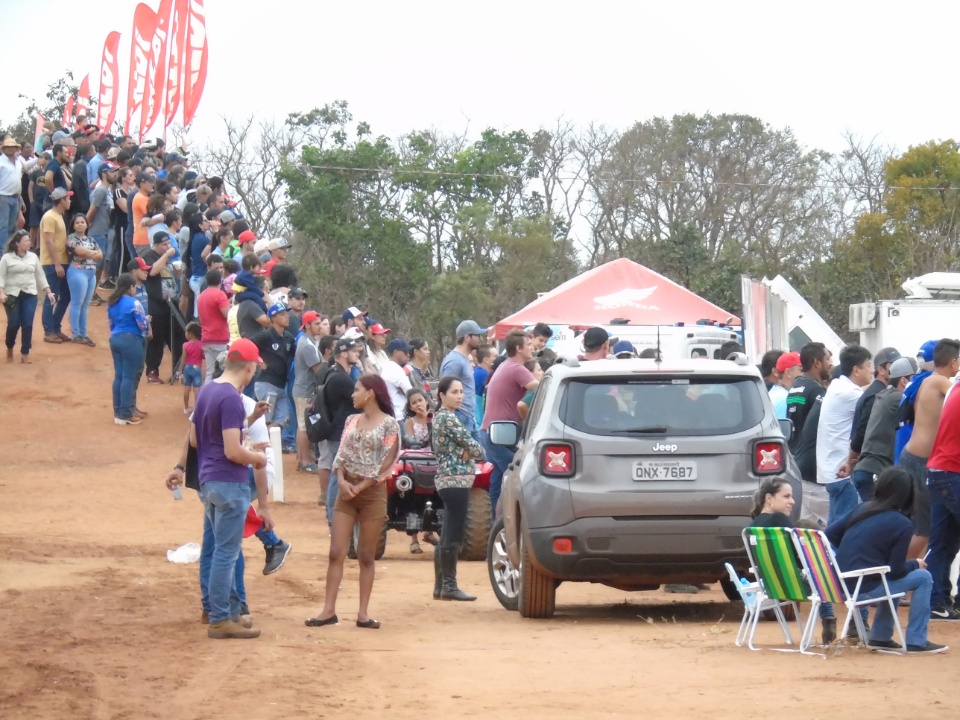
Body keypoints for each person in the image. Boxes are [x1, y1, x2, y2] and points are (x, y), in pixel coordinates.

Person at [306, 374, 400, 630]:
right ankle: (331, 610)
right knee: (337, 552)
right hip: (352, 489)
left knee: (366, 555)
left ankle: (361, 613)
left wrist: (354, 485)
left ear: (370, 393)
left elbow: (387, 462)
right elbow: (341, 455)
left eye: (357, 390)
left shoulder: (390, 424)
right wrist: (343, 480)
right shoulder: (351, 420)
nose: (353, 394)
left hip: (366, 492)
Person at [191, 337, 270, 639]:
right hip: (229, 481)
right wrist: (258, 458)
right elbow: (233, 452)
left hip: (209, 479)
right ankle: (221, 618)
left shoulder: (208, 391)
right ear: (249, 367)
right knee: (227, 552)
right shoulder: (231, 398)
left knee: (218, 549)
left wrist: (245, 436)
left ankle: (217, 610)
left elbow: (198, 440)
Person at [826, 467, 947, 653]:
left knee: (889, 579)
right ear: (907, 494)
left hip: (840, 584)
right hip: (864, 589)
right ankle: (916, 640)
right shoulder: (902, 523)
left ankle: (881, 637)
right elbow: (896, 570)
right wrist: (915, 563)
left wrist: (854, 547)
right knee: (923, 577)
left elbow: (829, 535)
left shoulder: (862, 509)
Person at [900, 339, 960, 558]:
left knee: (924, 529)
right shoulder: (942, 383)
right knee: (923, 530)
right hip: (921, 460)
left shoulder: (925, 380)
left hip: (914, 456)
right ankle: (902, 573)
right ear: (953, 363)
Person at [431, 376, 486, 601]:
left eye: (461, 391)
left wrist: (471, 449)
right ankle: (449, 586)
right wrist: (472, 450)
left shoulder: (442, 417)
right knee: (453, 532)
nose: (460, 396)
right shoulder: (448, 418)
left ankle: (441, 586)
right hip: (455, 480)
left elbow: (472, 447)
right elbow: (477, 448)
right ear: (442, 396)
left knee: (447, 532)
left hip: (449, 479)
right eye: (454, 392)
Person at [481, 330, 539, 513]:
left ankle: (494, 524)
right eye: (528, 345)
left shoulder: (506, 365)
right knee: (516, 476)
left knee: (498, 482)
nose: (532, 348)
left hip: (492, 432)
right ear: (518, 348)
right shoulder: (516, 368)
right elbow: (540, 388)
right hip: (499, 435)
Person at [922, 352, 960, 621]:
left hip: (938, 469)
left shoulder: (955, 386)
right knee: (943, 543)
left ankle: (937, 601)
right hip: (953, 471)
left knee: (942, 542)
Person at [817, 345, 873, 524]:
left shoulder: (837, 385)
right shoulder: (850, 394)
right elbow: (874, 401)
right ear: (856, 370)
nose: (872, 371)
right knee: (846, 529)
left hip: (831, 470)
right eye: (869, 366)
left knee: (835, 528)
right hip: (842, 471)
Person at [851, 358, 918, 502]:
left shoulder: (883, 395)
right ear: (904, 381)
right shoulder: (898, 398)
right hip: (876, 471)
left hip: (865, 469)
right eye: (914, 379)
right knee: (879, 519)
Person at [320, 337, 364, 523]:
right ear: (343, 353)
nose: (358, 353)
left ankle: (335, 516)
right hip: (339, 433)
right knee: (337, 475)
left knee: (338, 473)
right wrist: (361, 370)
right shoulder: (339, 378)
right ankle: (332, 518)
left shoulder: (340, 374)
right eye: (354, 351)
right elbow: (366, 395)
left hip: (341, 432)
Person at [0, 229, 55, 363]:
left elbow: (40, 276)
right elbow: (1, 276)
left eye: (29, 240)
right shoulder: (7, 258)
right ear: (17, 243)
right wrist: (1, 293)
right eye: (26, 241)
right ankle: (10, 346)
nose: (29, 243)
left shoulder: (33, 257)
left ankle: (25, 352)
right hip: (11, 295)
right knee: (13, 323)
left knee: (27, 323)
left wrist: (48, 292)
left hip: (30, 294)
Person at [107, 274, 149, 425]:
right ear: (130, 287)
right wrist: (147, 321)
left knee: (119, 376)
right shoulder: (134, 303)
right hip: (131, 340)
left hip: (115, 339)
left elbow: (111, 324)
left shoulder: (112, 303)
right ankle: (125, 413)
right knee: (128, 377)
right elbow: (142, 325)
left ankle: (118, 412)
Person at [251, 303, 295, 432]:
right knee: (266, 420)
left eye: (286, 314)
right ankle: (260, 447)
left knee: (283, 419)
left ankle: (269, 446)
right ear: (273, 318)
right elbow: (247, 345)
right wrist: (259, 361)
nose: (287, 317)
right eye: (282, 315)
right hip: (266, 383)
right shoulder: (266, 335)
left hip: (281, 385)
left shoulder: (288, 337)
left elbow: (295, 354)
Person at [440, 320, 485, 440]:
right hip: (460, 417)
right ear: (467, 337)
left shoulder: (463, 359)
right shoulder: (455, 361)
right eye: (477, 335)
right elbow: (445, 389)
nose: (480, 338)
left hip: (468, 416)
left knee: (478, 456)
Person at [292, 310, 325, 474]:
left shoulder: (309, 342)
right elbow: (317, 370)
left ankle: (302, 459)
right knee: (304, 426)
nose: (319, 326)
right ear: (308, 325)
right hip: (305, 390)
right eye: (317, 323)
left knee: (302, 425)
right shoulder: (307, 345)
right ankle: (305, 461)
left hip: (304, 389)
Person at [39, 187, 74, 343]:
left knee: (65, 295)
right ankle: (49, 331)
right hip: (53, 263)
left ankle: (55, 327)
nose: (70, 201)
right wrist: (57, 264)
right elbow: (48, 241)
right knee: (52, 297)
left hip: (61, 261)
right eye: (68, 198)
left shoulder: (59, 216)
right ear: (62, 201)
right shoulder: (50, 217)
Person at [786, 342, 833, 452]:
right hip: (808, 455)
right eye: (827, 359)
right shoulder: (816, 390)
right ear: (817, 363)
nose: (830, 364)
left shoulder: (795, 385)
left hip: (794, 453)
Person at [65, 213, 102, 347]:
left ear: (87, 224)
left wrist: (86, 254)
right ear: (73, 225)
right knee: (77, 302)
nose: (80, 224)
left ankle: (83, 334)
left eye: (82, 222)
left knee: (85, 304)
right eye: (77, 222)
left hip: (90, 272)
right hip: (77, 271)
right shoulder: (71, 238)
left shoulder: (91, 239)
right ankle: (76, 333)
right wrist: (92, 254)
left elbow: (101, 255)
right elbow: (80, 252)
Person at [197, 269, 230, 384]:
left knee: (210, 372)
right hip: (219, 337)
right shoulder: (220, 294)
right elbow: (227, 315)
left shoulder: (201, 296)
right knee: (224, 371)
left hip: (206, 337)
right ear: (220, 280)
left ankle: (206, 399)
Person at [381, 338, 413, 421]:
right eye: (405, 352)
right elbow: (410, 393)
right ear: (395, 352)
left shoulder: (388, 366)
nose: (408, 355)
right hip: (399, 415)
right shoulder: (394, 369)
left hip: (394, 415)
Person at [769, 351, 801, 420]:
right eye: (800, 370)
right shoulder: (785, 398)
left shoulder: (773, 392)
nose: (804, 374)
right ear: (788, 372)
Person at [182, 322, 204, 413]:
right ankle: (197, 408)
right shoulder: (201, 344)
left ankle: (186, 408)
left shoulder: (185, 345)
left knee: (187, 388)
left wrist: (180, 370)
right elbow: (203, 355)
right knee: (197, 389)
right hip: (197, 368)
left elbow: (183, 358)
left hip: (187, 368)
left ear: (190, 333)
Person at [473, 344, 496, 426]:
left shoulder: (476, 371)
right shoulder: (485, 375)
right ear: (486, 360)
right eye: (495, 356)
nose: (497, 359)